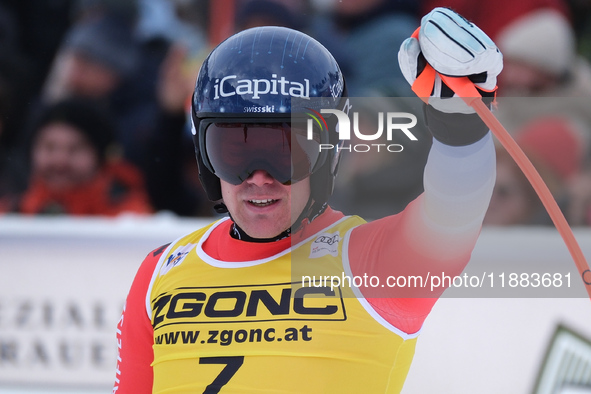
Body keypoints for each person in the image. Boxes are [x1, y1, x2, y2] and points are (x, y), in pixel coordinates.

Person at [113, 8, 501, 393]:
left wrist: (460, 123)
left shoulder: (374, 264)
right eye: (234, 152)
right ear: (204, 157)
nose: (259, 178)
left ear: (327, 155)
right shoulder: (161, 271)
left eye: (287, 152)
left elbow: (455, 209)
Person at [0, 97, 153, 216]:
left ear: (99, 157)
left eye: (75, 149)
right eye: (49, 147)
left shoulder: (132, 220)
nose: (60, 161)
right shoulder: (10, 215)